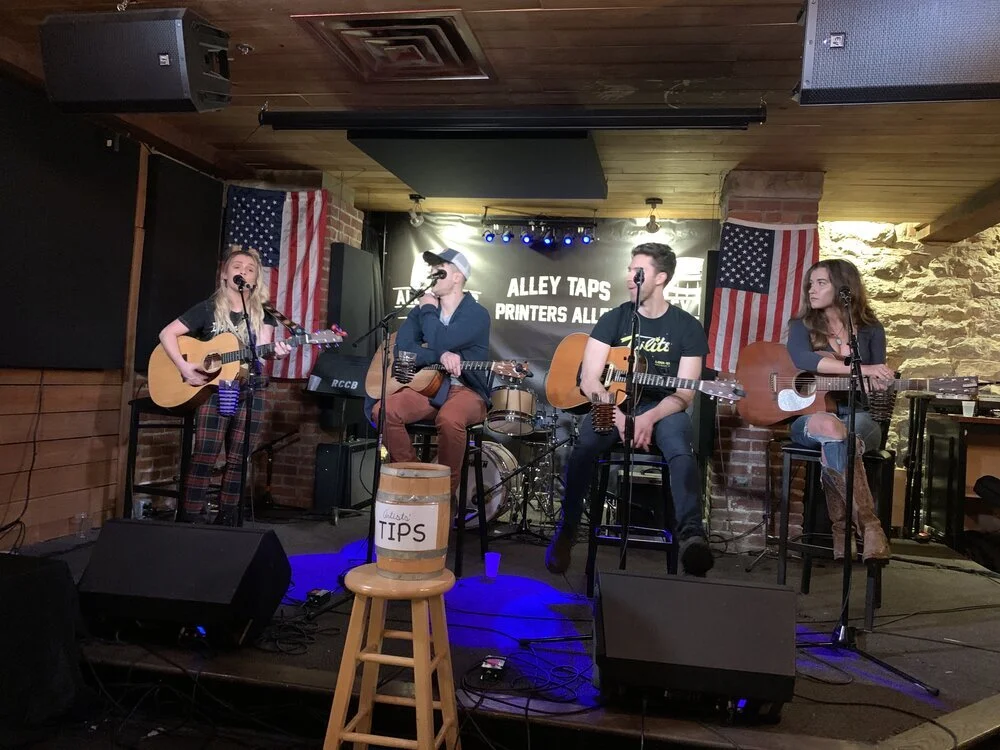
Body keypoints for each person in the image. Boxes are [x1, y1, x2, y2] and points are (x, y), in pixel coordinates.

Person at [545, 243, 715, 577]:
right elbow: (591, 379)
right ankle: (567, 530)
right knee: (585, 448)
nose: (629, 278)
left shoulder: (687, 327)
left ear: (661, 277)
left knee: (681, 449)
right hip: (612, 404)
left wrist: (647, 418)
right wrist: (619, 416)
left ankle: (692, 535)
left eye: (638, 272)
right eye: (629, 270)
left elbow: (684, 393)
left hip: (663, 408)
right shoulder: (615, 318)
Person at [157, 247, 290, 526]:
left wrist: (275, 351)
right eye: (237, 266)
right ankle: (191, 517)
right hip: (214, 389)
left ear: (255, 281)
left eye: (250, 269)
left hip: (251, 388)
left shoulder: (263, 314)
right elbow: (167, 333)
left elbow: (264, 350)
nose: (243, 271)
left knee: (239, 459)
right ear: (225, 274)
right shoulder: (207, 309)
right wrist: (185, 368)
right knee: (205, 452)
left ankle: (227, 518)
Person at [786, 258, 892, 563]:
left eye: (821, 283)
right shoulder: (801, 327)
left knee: (840, 439)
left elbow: (873, 382)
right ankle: (870, 528)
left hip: (860, 416)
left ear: (844, 288)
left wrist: (879, 381)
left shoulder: (871, 331)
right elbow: (804, 360)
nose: (812, 289)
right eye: (810, 283)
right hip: (812, 417)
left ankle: (842, 531)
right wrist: (859, 367)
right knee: (831, 428)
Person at [372, 248, 491, 503]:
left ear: (457, 276)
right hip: (429, 388)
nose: (432, 272)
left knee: (449, 419)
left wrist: (427, 310)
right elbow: (403, 349)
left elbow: (443, 339)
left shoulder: (476, 314)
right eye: (431, 267)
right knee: (383, 410)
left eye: (440, 267)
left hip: (466, 391)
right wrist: (441, 356)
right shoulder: (418, 313)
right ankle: (415, 479)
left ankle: (444, 495)